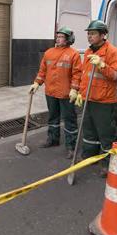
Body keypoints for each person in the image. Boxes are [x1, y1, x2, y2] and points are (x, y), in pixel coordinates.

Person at [74, 20, 117, 177]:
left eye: (93, 33)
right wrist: (81, 93)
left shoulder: (112, 51)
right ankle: (90, 155)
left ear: (103, 35)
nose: (89, 36)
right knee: (89, 131)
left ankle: (109, 163)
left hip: (104, 101)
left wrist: (103, 65)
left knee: (106, 133)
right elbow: (85, 75)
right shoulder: (88, 52)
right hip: (89, 98)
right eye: (88, 33)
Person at [29, 27, 82, 159]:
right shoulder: (49, 53)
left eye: (61, 36)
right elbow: (42, 71)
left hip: (66, 94)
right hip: (51, 92)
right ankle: (53, 139)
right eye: (57, 36)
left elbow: (77, 74)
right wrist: (37, 83)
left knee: (70, 120)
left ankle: (71, 146)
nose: (58, 38)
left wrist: (75, 89)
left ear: (69, 39)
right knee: (53, 117)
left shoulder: (73, 54)